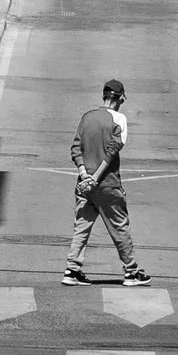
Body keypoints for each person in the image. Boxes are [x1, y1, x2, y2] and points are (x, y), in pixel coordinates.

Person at [66, 76, 151, 284]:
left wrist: (85, 174)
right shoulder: (119, 120)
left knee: (82, 226)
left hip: (83, 183)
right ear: (120, 99)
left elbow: (76, 148)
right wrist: (95, 177)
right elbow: (112, 152)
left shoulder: (86, 117)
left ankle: (72, 270)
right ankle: (131, 271)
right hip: (107, 183)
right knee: (119, 225)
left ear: (104, 96)